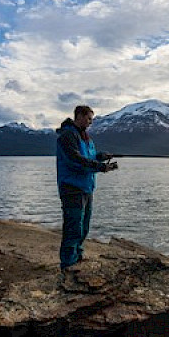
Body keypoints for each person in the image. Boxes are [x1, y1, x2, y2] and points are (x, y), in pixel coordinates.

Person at [55, 105, 117, 271]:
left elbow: (87, 157)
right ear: (79, 116)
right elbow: (75, 160)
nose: (90, 122)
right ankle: (68, 265)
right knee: (73, 228)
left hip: (86, 188)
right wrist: (101, 167)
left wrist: (101, 157)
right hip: (72, 188)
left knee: (84, 227)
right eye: (89, 118)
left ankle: (78, 258)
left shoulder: (85, 138)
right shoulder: (67, 136)